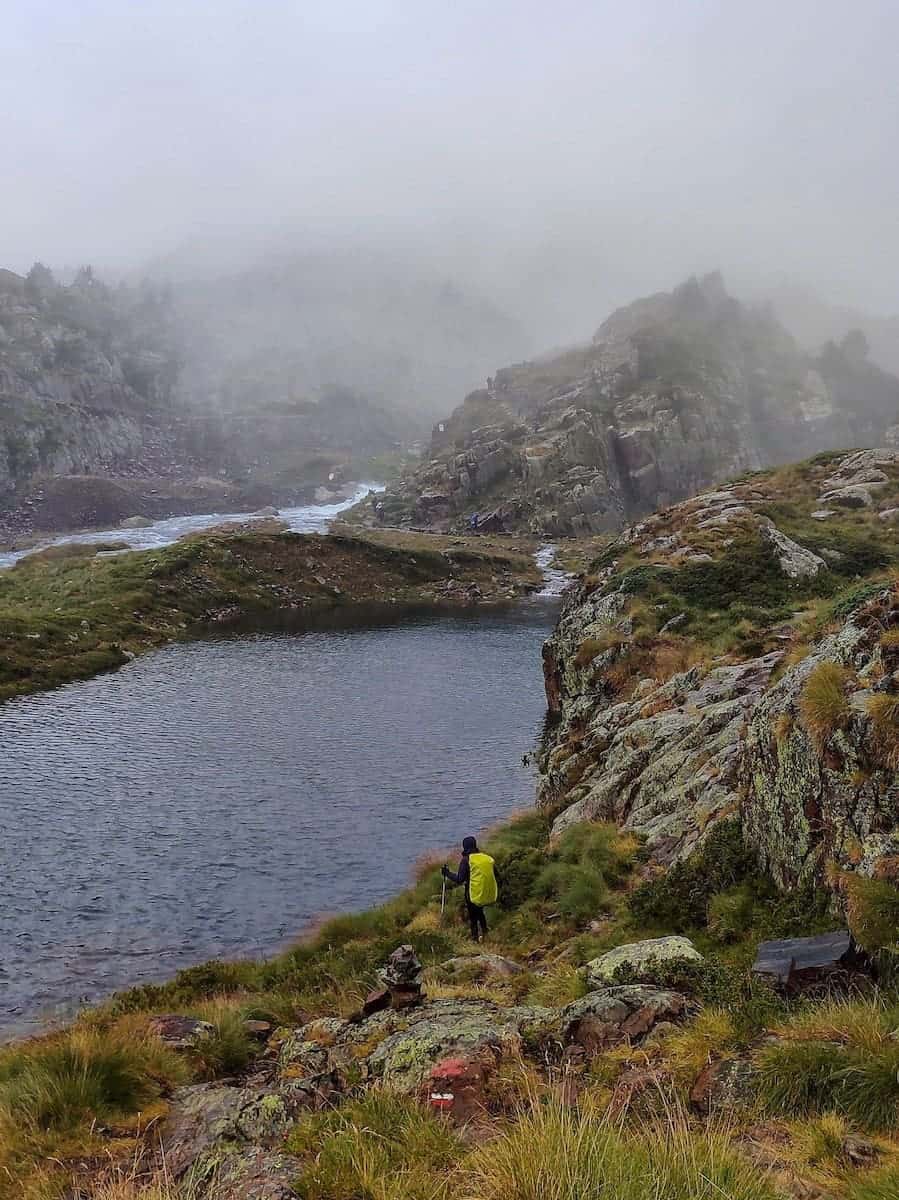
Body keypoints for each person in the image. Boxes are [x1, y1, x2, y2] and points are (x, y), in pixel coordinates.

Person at [442, 836, 499, 942]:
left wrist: (447, 873)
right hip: (486, 892)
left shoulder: (466, 860)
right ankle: (486, 933)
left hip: (473, 893)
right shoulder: (486, 858)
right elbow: (496, 874)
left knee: (473, 917)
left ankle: (475, 939)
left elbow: (459, 879)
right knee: (480, 912)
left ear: (465, 847)